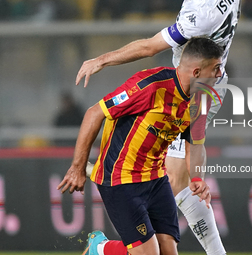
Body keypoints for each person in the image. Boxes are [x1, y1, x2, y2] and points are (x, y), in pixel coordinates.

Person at [76, 1, 241, 254]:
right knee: (175, 176)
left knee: (176, 177)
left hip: (195, 83)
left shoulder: (202, 13)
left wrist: (102, 60)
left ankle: (105, 243)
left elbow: (150, 46)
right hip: (199, 82)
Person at [57, 37, 223, 255]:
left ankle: (102, 249)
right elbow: (94, 113)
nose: (220, 74)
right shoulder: (150, 86)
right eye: (217, 68)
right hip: (120, 178)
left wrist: (197, 178)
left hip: (156, 179)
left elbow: (195, 143)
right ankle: (100, 248)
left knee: (168, 252)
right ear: (197, 73)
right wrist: (77, 168)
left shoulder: (202, 98)